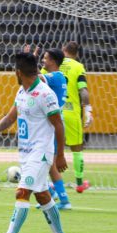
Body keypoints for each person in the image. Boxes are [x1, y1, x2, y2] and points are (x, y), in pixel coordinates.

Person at [0, 52, 67, 233]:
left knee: (22, 192)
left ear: (19, 72)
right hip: (26, 153)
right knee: (43, 195)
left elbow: (58, 124)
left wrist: (60, 155)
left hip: (41, 153)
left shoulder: (45, 94)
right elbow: (11, 116)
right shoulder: (22, 91)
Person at [43, 42, 93, 193]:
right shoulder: (78, 67)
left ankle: (49, 184)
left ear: (63, 50)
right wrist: (88, 110)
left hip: (52, 112)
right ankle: (79, 183)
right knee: (77, 149)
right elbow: (83, 91)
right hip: (71, 113)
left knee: (48, 151)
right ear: (76, 53)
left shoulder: (49, 65)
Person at [39, 48, 71, 210]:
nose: (43, 61)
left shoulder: (55, 77)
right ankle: (52, 193)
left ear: (53, 61)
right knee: (45, 162)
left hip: (53, 124)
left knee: (50, 164)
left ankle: (64, 200)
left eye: (45, 58)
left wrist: (29, 60)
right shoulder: (59, 77)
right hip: (52, 122)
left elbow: (34, 77)